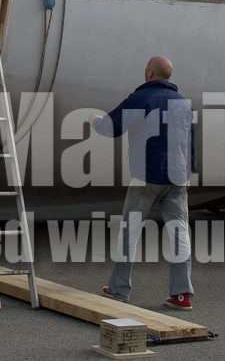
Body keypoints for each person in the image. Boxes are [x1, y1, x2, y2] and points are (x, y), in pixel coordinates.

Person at [90, 55, 194, 309]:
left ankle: (119, 290)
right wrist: (188, 173)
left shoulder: (140, 98)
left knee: (130, 232)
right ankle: (182, 295)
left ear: (149, 72)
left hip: (146, 177)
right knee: (180, 233)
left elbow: (110, 128)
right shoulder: (183, 103)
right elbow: (191, 142)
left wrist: (94, 120)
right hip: (178, 178)